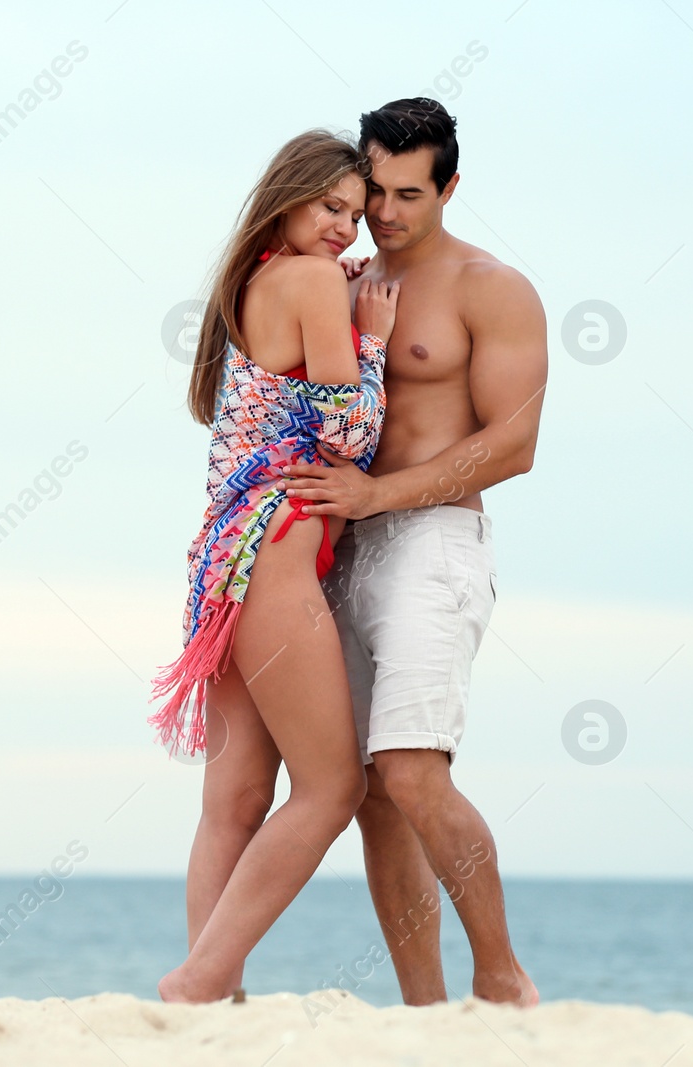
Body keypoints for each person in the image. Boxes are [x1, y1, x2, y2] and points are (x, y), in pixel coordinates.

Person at [281, 98, 548, 1008]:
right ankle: (426, 1016)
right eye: (374, 190)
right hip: (345, 548)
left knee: (411, 766)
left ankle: (505, 982)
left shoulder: (492, 287)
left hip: (435, 544)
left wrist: (378, 494)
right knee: (368, 793)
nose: (384, 212)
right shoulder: (345, 278)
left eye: (406, 193)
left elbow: (513, 444)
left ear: (449, 187)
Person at [148, 129, 400, 1003]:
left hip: (223, 563)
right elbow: (348, 435)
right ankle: (202, 979)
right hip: (275, 562)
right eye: (331, 206)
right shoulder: (313, 282)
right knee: (333, 787)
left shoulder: (254, 281)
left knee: (236, 798)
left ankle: (211, 1000)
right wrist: (371, 340)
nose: (345, 228)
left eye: (356, 213)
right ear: (288, 195)